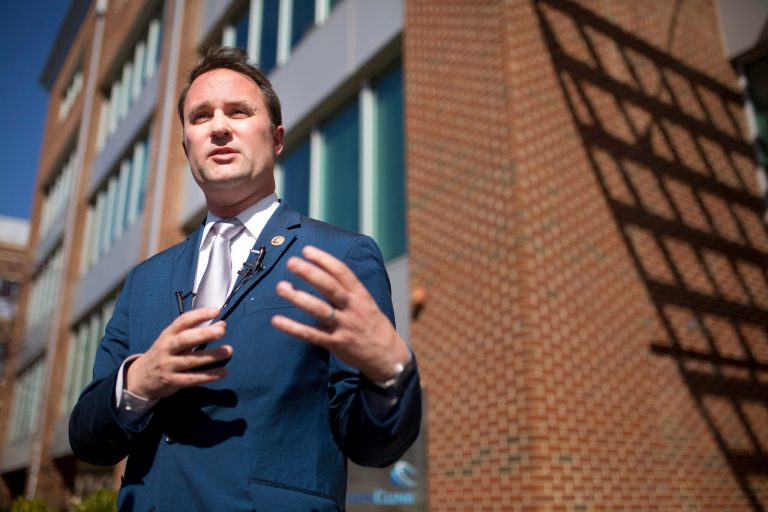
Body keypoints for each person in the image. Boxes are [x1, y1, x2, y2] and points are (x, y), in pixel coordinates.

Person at [69, 46, 421, 511]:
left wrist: (390, 373)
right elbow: (88, 440)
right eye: (200, 117)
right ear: (186, 147)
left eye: (238, 111)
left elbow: (371, 444)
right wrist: (140, 380)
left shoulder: (342, 257)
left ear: (276, 139)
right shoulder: (145, 281)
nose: (218, 127)